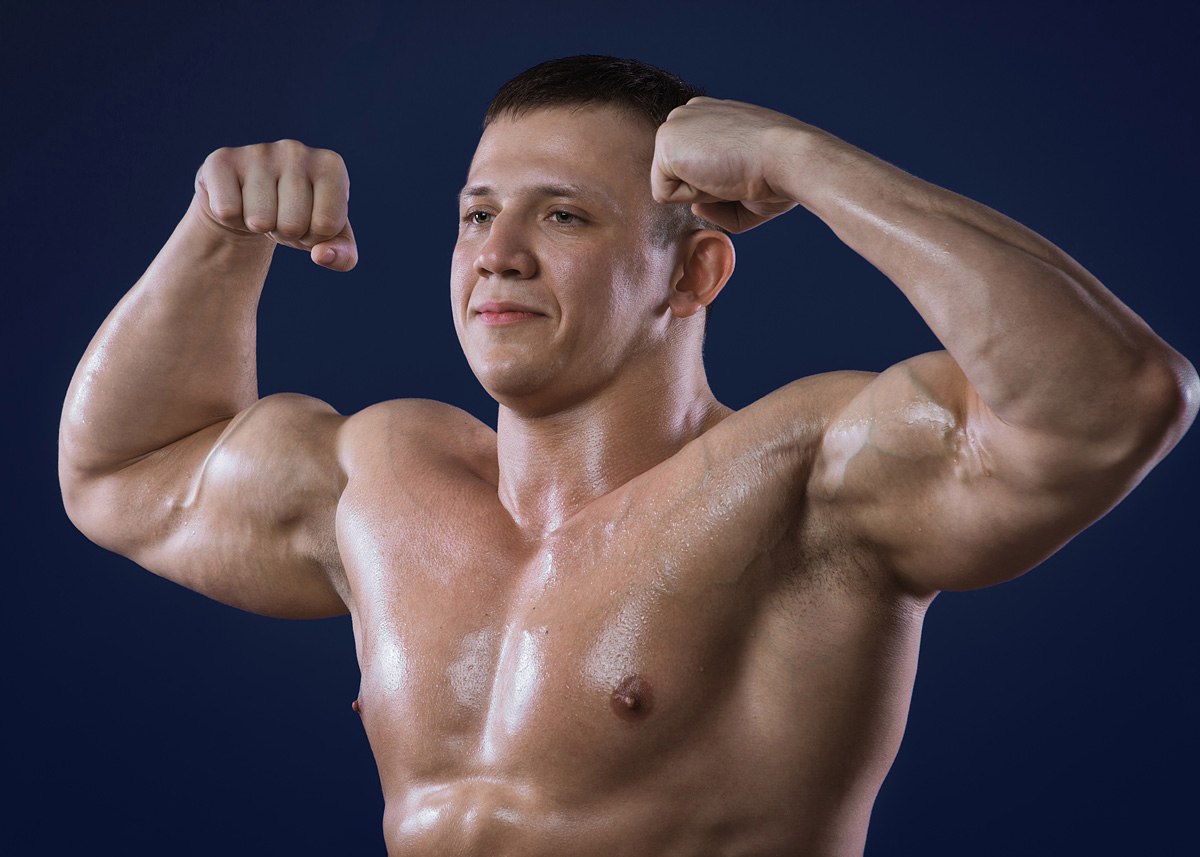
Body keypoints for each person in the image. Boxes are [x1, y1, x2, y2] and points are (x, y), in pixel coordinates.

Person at [58, 54, 1196, 855]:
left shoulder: (809, 479)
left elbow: (1110, 400)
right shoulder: (382, 480)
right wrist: (218, 240)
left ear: (693, 272)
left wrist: (803, 160)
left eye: (564, 215)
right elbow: (123, 471)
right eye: (477, 214)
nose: (498, 253)